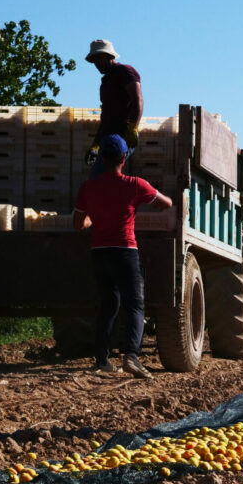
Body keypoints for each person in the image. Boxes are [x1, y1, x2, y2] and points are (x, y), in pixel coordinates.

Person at [73, 134, 173, 378]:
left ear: (102, 158)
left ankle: (102, 359)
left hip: (99, 253)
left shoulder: (88, 188)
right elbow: (166, 204)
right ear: (124, 157)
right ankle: (131, 356)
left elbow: (78, 223)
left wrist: (94, 217)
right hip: (125, 251)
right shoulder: (135, 184)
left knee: (108, 305)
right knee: (135, 305)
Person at [83, 39, 143, 178]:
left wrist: (133, 128)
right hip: (108, 137)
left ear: (110, 56)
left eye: (100, 58)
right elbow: (106, 118)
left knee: (101, 176)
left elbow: (138, 100)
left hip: (123, 134)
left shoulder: (125, 71)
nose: (97, 63)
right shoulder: (105, 82)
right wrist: (95, 145)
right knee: (100, 177)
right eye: (94, 60)